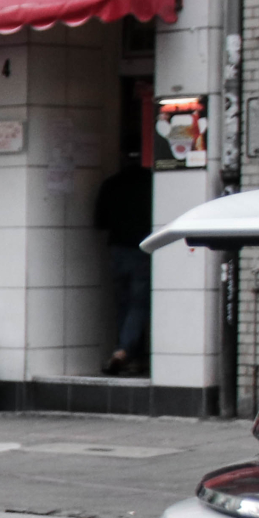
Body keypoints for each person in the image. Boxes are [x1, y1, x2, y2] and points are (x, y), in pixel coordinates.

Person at [94, 152, 154, 377]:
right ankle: (125, 351)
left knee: (123, 304)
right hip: (143, 248)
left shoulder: (111, 184)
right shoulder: (151, 182)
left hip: (117, 249)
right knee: (139, 304)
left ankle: (131, 356)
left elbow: (99, 222)